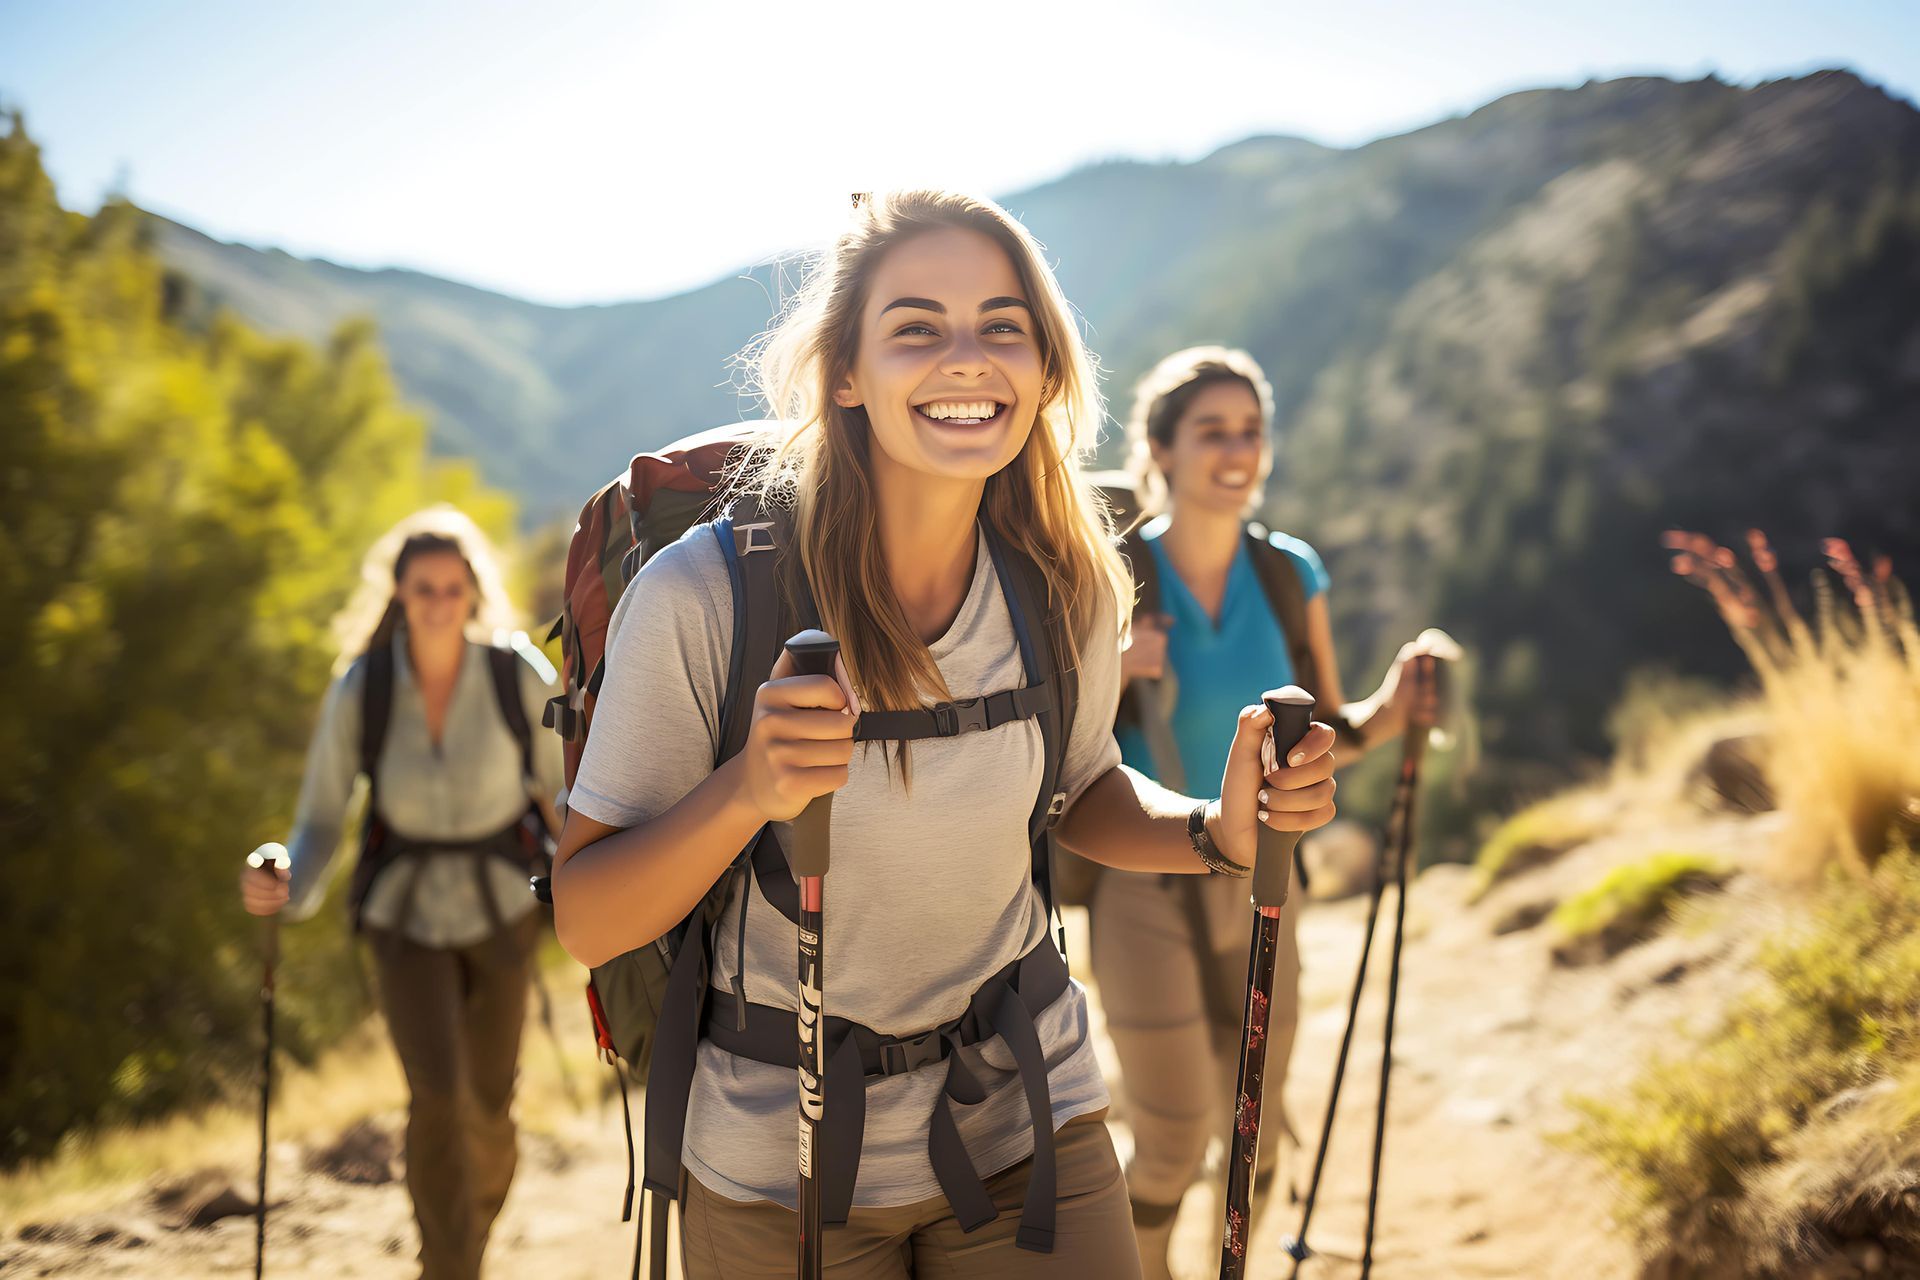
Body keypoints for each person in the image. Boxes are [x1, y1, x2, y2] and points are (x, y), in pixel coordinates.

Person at [548, 191, 1341, 1279]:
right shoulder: (709, 597)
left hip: (1029, 1113)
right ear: (843, 373)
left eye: (1003, 326)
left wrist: (1219, 830)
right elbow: (590, 918)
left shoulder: (1065, 581)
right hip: (780, 1167)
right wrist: (747, 789)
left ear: (1048, 370)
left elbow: (1081, 786)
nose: (967, 360)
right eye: (916, 327)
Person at [1093, 346, 1449, 1279]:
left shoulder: (1290, 573)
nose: (1238, 450)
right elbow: (1055, 744)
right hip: (1144, 881)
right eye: (1213, 431)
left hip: (1263, 881)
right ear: (1161, 449)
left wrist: (1396, 706)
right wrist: (1110, 667)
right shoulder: (1108, 573)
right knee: (1171, 1139)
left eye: (1251, 430)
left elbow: (1329, 729)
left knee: (1258, 1134)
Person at [239, 506, 564, 1280]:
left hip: (504, 910)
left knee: (490, 1106)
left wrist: (600, 884)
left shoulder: (518, 672)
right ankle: (446, 1265)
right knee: (439, 1096)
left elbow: (565, 792)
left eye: (454, 587)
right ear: (400, 591)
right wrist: (284, 877)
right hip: (402, 919)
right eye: (425, 588)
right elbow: (319, 819)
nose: (440, 602)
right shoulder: (364, 687)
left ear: (474, 592)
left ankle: (468, 1240)